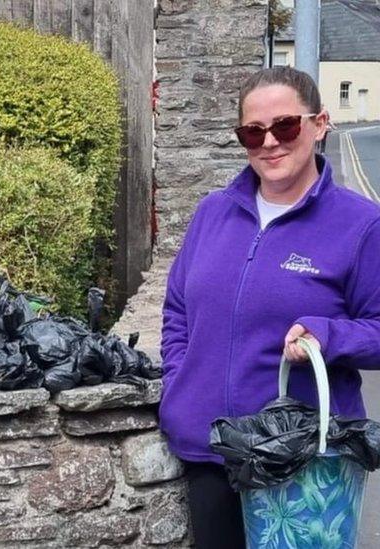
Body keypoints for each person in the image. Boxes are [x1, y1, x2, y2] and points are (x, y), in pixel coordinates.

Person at [160, 66, 380, 548]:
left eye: (285, 126)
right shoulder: (211, 213)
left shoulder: (362, 225)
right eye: (252, 132)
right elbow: (178, 308)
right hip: (210, 451)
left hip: (299, 461)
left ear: (319, 123)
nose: (269, 143)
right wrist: (180, 383)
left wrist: (330, 334)